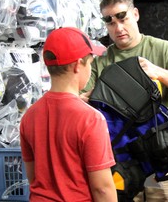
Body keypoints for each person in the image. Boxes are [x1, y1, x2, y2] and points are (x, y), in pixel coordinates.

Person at [80, 0, 168, 202]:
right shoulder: (101, 61)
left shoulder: (161, 49)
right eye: (110, 21)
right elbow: (81, 101)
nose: (118, 27)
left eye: (122, 17)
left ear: (135, 14)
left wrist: (157, 72)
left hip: (161, 156)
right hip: (121, 161)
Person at [20, 27, 117, 202]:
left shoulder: (29, 116)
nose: (91, 67)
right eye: (90, 62)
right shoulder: (91, 119)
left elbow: (33, 177)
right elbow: (102, 188)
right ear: (78, 65)